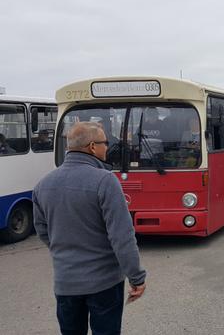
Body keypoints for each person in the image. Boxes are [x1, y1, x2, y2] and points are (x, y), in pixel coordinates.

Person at [32, 122, 147, 334]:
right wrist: (136, 277)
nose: (108, 147)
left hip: (65, 283)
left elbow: (42, 231)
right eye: (105, 143)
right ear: (93, 147)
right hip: (104, 284)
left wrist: (65, 251)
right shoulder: (105, 181)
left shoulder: (42, 185)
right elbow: (122, 236)